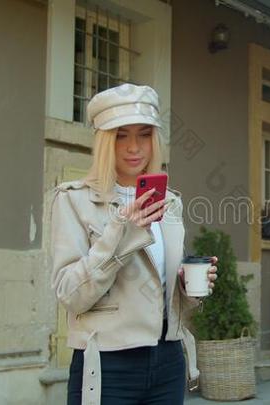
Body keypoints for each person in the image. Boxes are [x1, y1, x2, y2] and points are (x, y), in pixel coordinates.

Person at [50, 83, 217, 405]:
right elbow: (70, 294)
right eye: (121, 135)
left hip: (168, 358)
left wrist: (185, 285)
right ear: (104, 141)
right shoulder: (73, 200)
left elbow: (160, 290)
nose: (133, 147)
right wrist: (122, 232)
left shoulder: (170, 203)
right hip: (108, 363)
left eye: (143, 134)